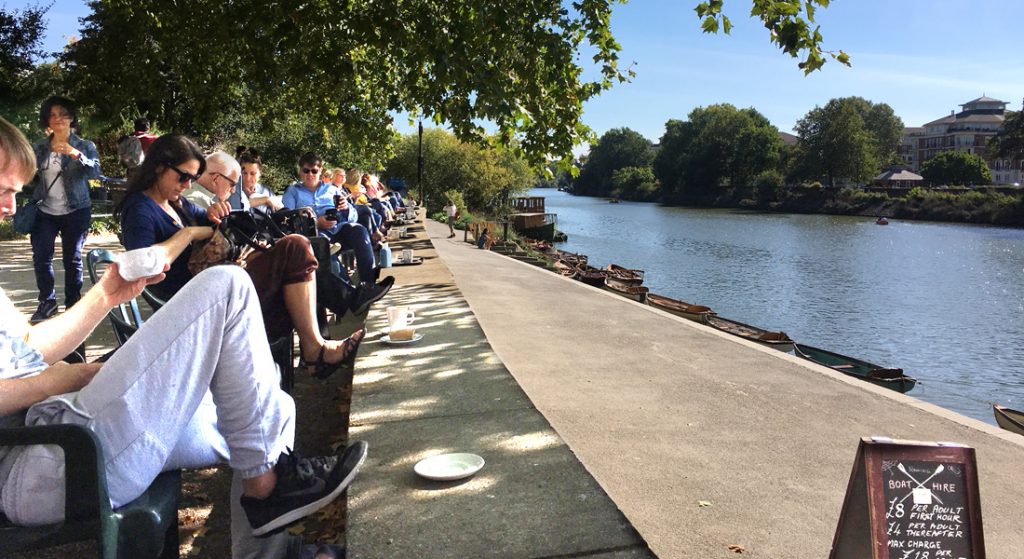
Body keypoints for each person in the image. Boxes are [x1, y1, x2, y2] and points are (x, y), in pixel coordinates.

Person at [0, 115, 369, 557]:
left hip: (69, 435)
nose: (10, 206)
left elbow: (32, 347)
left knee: (275, 404)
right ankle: (266, 486)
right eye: (4, 190)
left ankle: (267, 546)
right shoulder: (143, 207)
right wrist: (75, 377)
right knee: (229, 286)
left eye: (16, 193)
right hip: (42, 463)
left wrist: (106, 296)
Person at [117, 136, 367, 378]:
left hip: (217, 288)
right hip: (191, 305)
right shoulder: (140, 209)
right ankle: (314, 349)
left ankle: (312, 349)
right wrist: (190, 232)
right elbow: (143, 268)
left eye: (192, 178)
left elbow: (218, 225)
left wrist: (215, 213)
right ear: (159, 166)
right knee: (295, 250)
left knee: (296, 259)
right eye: (183, 177)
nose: (187, 185)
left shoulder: (177, 204)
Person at [27, 96, 101, 324]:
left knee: (73, 259)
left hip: (76, 210)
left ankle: (72, 303)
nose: (58, 119)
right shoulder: (39, 146)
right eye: (52, 114)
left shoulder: (85, 146)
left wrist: (75, 154)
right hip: (44, 211)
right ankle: (47, 302)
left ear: (71, 118)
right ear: (47, 120)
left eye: (63, 114)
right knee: (41, 258)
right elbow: (27, 174)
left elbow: (95, 173)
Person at [282, 153, 381, 286]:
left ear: (320, 171)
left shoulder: (331, 190)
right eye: (306, 171)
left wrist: (345, 208)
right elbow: (287, 219)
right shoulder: (293, 192)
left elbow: (353, 216)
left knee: (359, 231)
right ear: (300, 171)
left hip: (337, 229)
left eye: (314, 171)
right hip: (314, 236)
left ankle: (369, 283)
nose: (310, 174)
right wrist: (315, 223)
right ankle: (350, 291)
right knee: (329, 258)